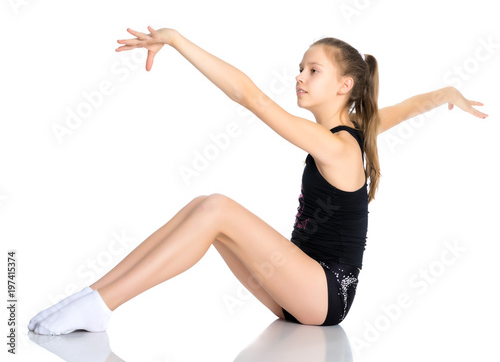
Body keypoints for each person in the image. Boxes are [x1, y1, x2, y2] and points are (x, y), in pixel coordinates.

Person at [28, 27, 488, 335]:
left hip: (324, 296)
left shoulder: (340, 145)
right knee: (203, 204)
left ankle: (100, 307)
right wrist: (446, 94)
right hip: (292, 291)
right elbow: (408, 107)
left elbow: (249, 96)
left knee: (218, 208)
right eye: (301, 68)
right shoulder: (357, 130)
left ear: (345, 85)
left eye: (313, 71)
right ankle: (92, 297)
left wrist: (176, 40)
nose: (300, 77)